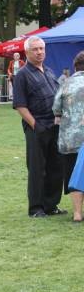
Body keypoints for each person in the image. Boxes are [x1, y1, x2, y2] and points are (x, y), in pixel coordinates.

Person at [13, 36, 66, 218]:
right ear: (26, 52)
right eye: (35, 49)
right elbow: (20, 105)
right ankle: (36, 208)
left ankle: (51, 205)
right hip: (37, 126)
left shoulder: (49, 71)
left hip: (56, 126)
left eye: (41, 48)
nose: (39, 52)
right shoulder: (22, 75)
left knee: (56, 167)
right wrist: (36, 125)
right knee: (37, 168)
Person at [52, 51, 84, 222]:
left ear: (75, 67)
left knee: (73, 174)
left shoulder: (65, 83)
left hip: (70, 139)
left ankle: (77, 213)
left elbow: (56, 108)